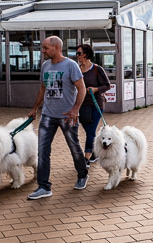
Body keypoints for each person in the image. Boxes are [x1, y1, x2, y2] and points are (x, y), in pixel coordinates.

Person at [27, 36, 88, 200]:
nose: (43, 51)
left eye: (46, 48)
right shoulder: (45, 66)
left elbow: (82, 89)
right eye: (43, 47)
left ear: (56, 48)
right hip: (48, 114)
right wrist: (35, 109)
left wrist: (75, 110)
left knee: (74, 148)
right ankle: (44, 187)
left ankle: (82, 174)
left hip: (67, 116)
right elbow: (42, 88)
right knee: (42, 152)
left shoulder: (71, 65)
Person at [77, 44, 111, 168]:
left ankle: (86, 158)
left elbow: (107, 85)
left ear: (86, 54)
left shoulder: (97, 69)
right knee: (89, 132)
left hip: (96, 104)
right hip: (82, 105)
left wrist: (96, 89)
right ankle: (94, 152)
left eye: (79, 53)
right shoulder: (76, 69)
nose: (77, 56)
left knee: (91, 131)